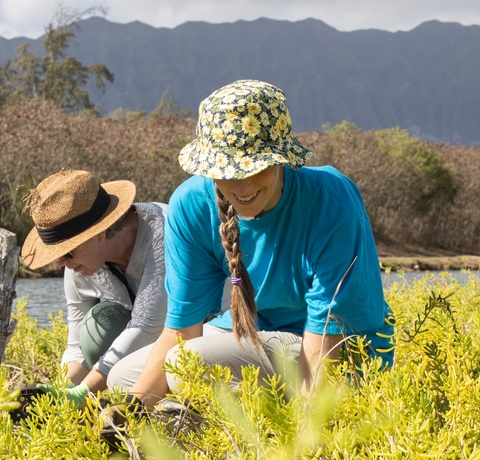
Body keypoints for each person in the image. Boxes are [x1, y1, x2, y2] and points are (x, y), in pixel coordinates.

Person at [107, 79, 394, 408]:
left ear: (281, 160)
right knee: (123, 378)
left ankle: (256, 424)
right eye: (225, 172)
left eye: (255, 169)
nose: (241, 188)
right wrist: (131, 410)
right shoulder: (191, 205)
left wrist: (306, 438)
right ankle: (205, 427)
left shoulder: (330, 200)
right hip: (252, 339)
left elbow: (325, 344)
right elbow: (182, 331)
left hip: (343, 352)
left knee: (190, 366)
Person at [21, 169, 167, 404]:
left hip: (203, 329)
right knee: (95, 330)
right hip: (147, 339)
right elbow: (77, 342)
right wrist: (66, 387)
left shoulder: (162, 235)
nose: (60, 262)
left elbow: (147, 326)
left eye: (66, 251)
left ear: (98, 233)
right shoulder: (79, 261)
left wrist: (83, 392)